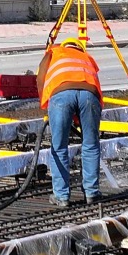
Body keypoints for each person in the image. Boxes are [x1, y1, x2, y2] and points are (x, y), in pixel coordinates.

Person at [39, 28, 104, 205]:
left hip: (60, 95)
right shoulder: (87, 57)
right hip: (90, 95)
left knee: (59, 147)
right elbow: (93, 86)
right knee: (90, 144)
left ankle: (61, 197)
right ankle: (91, 193)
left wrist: (46, 108)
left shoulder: (53, 52)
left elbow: (41, 78)